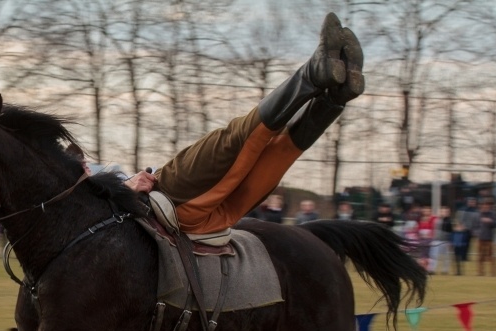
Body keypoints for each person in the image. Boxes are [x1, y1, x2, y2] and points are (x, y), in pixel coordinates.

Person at [118, 13, 364, 235]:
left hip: (211, 219)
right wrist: (125, 187)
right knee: (236, 137)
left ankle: (335, 98)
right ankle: (315, 72)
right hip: (164, 198)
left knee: (279, 153)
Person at [476, 198, 496, 276]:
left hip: (489, 238)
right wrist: (477, 233)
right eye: (483, 205)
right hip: (480, 238)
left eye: (487, 205)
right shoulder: (479, 214)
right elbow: (475, 225)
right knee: (480, 256)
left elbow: (495, 225)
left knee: (491, 256)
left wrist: (490, 221)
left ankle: (493, 272)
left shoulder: (493, 214)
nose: (485, 207)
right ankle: (480, 272)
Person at [430, 206, 453, 275]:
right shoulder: (436, 220)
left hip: (445, 241)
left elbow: (450, 232)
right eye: (442, 211)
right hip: (436, 240)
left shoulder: (449, 221)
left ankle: (445, 270)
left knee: (446, 257)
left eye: (446, 212)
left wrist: (450, 241)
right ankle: (432, 269)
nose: (444, 213)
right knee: (434, 256)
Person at [456, 197, 480, 262]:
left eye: (473, 202)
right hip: (463, 230)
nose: (472, 203)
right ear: (467, 202)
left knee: (468, 245)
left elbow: (477, 221)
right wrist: (461, 226)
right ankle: (461, 257)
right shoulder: (462, 210)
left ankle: (465, 257)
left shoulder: (477, 211)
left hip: (471, 231)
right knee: (462, 244)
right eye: (471, 202)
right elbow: (459, 219)